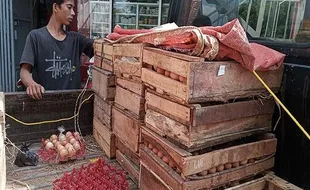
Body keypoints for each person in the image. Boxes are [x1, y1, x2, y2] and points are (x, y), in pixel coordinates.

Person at [20, 0, 94, 100]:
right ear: (55, 7)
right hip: (45, 105)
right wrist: (32, 84)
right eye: (69, 7)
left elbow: (99, 49)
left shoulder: (76, 39)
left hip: (73, 107)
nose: (73, 13)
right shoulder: (35, 37)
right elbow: (24, 70)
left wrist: (116, 38)